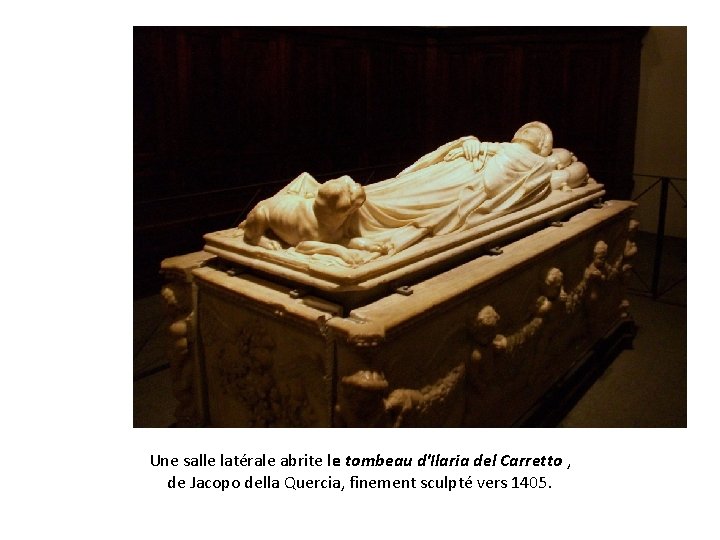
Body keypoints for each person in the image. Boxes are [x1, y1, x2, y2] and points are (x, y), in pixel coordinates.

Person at [344, 121, 588, 253]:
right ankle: (357, 205)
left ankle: (359, 215)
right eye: (526, 127)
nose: (528, 130)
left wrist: (561, 165)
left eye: (536, 132)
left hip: (471, 185)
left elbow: (567, 171)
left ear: (545, 146)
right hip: (459, 167)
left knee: (419, 199)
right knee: (409, 185)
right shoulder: (498, 146)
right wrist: (469, 143)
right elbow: (469, 146)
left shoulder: (540, 166)